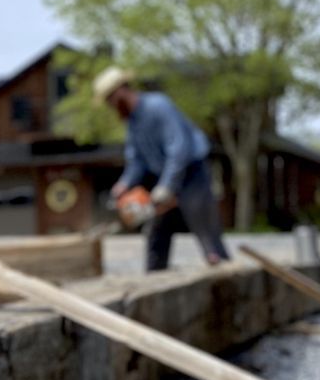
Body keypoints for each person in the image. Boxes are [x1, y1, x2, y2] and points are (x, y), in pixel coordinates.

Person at [97, 67, 231, 272]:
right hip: (162, 179)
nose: (111, 106)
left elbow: (179, 148)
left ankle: (222, 268)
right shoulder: (133, 124)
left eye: (111, 100)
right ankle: (155, 273)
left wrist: (167, 186)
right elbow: (136, 161)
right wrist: (124, 184)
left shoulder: (158, 106)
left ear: (121, 91)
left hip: (190, 174)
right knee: (156, 231)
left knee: (204, 228)